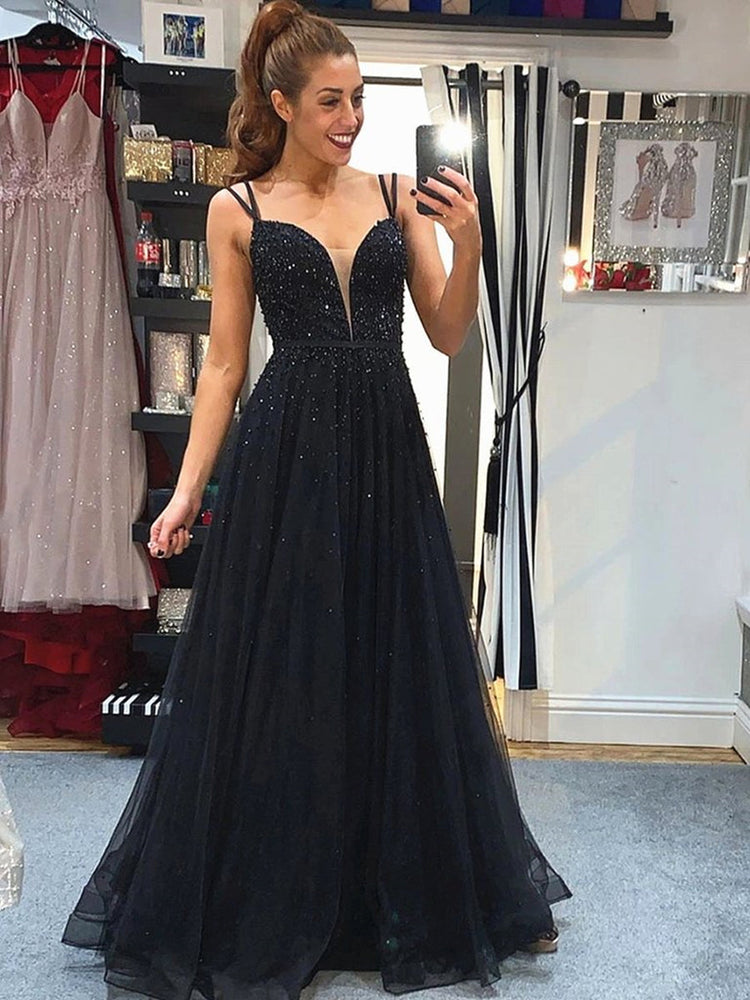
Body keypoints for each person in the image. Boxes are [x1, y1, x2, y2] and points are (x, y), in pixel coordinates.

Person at [61, 2, 571, 998]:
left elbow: (448, 332)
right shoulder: (237, 208)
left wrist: (469, 243)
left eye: (359, 98)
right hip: (288, 456)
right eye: (331, 101)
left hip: (387, 451)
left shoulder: (396, 193)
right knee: (287, 672)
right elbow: (221, 367)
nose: (351, 118)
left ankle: (416, 889)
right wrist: (186, 490)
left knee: (399, 661)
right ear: (283, 104)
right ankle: (277, 891)